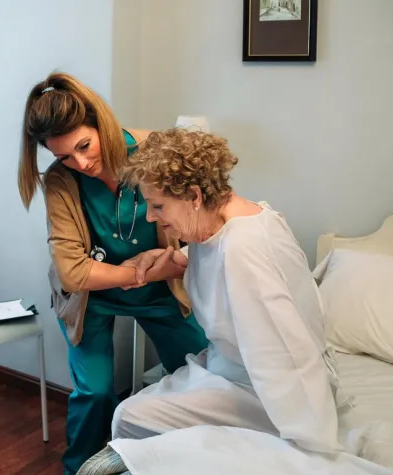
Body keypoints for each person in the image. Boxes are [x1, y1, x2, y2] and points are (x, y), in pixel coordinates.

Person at [17, 72, 209, 475]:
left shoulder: (156, 152)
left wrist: (161, 269)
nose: (80, 164)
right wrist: (144, 271)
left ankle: (192, 456)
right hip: (92, 300)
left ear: (99, 122)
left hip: (160, 293)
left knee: (198, 368)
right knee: (95, 389)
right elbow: (74, 273)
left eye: (84, 146)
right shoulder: (60, 183)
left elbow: (198, 226)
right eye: (65, 156)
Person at [110, 127, 344, 454]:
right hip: (228, 368)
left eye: (158, 206)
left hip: (265, 390)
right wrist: (171, 258)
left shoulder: (244, 249)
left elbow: (281, 353)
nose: (151, 217)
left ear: (193, 196)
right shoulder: (233, 219)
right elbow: (212, 258)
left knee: (130, 416)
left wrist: (309, 437)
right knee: (136, 413)